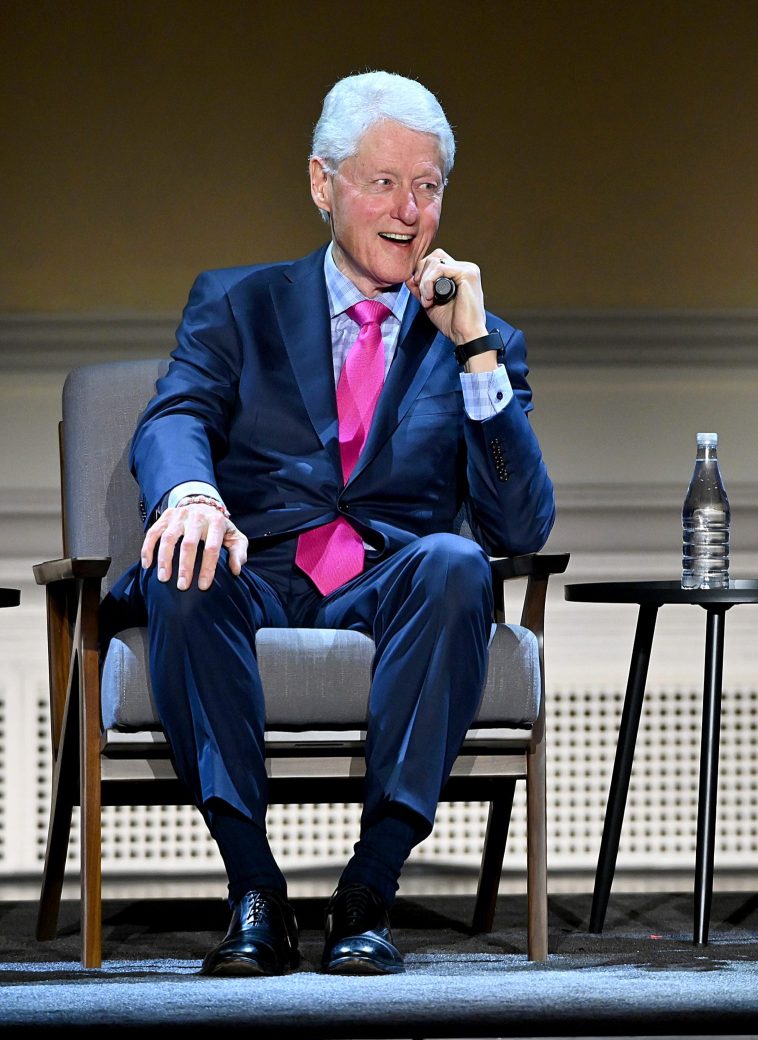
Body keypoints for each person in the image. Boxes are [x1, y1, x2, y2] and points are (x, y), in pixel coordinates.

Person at [103, 71, 555, 976]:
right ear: (323, 184)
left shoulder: (481, 341)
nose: (408, 210)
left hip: (387, 587)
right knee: (182, 567)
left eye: (427, 187)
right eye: (383, 183)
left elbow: (521, 524)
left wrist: (471, 348)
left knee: (459, 561)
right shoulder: (240, 304)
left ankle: (369, 890)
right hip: (258, 567)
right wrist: (192, 497)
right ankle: (255, 890)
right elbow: (175, 417)